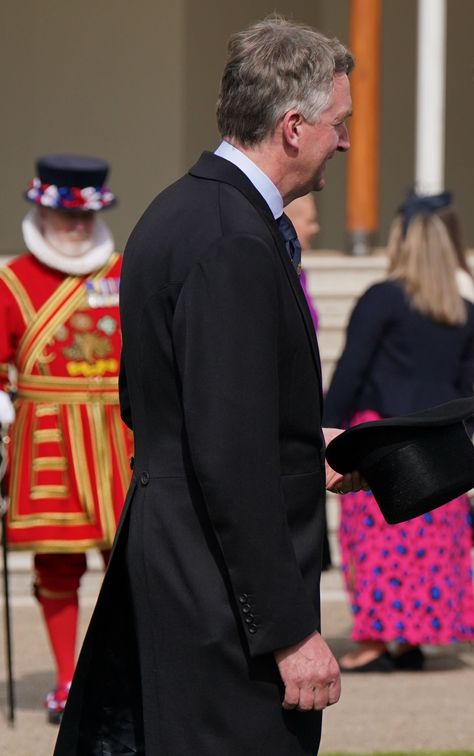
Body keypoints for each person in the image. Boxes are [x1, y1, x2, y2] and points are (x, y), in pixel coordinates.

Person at [55, 18, 360, 754]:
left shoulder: (176, 209)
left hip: (179, 569)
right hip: (222, 603)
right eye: (338, 124)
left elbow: (160, 404)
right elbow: (226, 454)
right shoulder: (231, 237)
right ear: (293, 127)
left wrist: (298, 441)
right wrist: (289, 635)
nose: (344, 142)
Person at [323, 191, 474, 673]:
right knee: (427, 549)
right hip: (437, 439)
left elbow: (350, 371)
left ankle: (377, 640)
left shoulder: (382, 299)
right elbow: (465, 386)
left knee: (378, 546)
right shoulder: (462, 311)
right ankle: (410, 640)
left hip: (383, 438)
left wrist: (327, 431)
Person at [1, 155, 130, 724]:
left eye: (85, 218)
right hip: (49, 432)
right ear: (42, 211)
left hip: (120, 433)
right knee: (57, 563)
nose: (76, 227)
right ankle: (66, 678)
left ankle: (128, 672)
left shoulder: (125, 271)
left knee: (132, 560)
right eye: (64, 216)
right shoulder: (11, 282)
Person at [285, 193, 322, 329]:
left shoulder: (300, 272)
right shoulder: (282, 271)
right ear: (290, 221)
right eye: (310, 221)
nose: (316, 229)